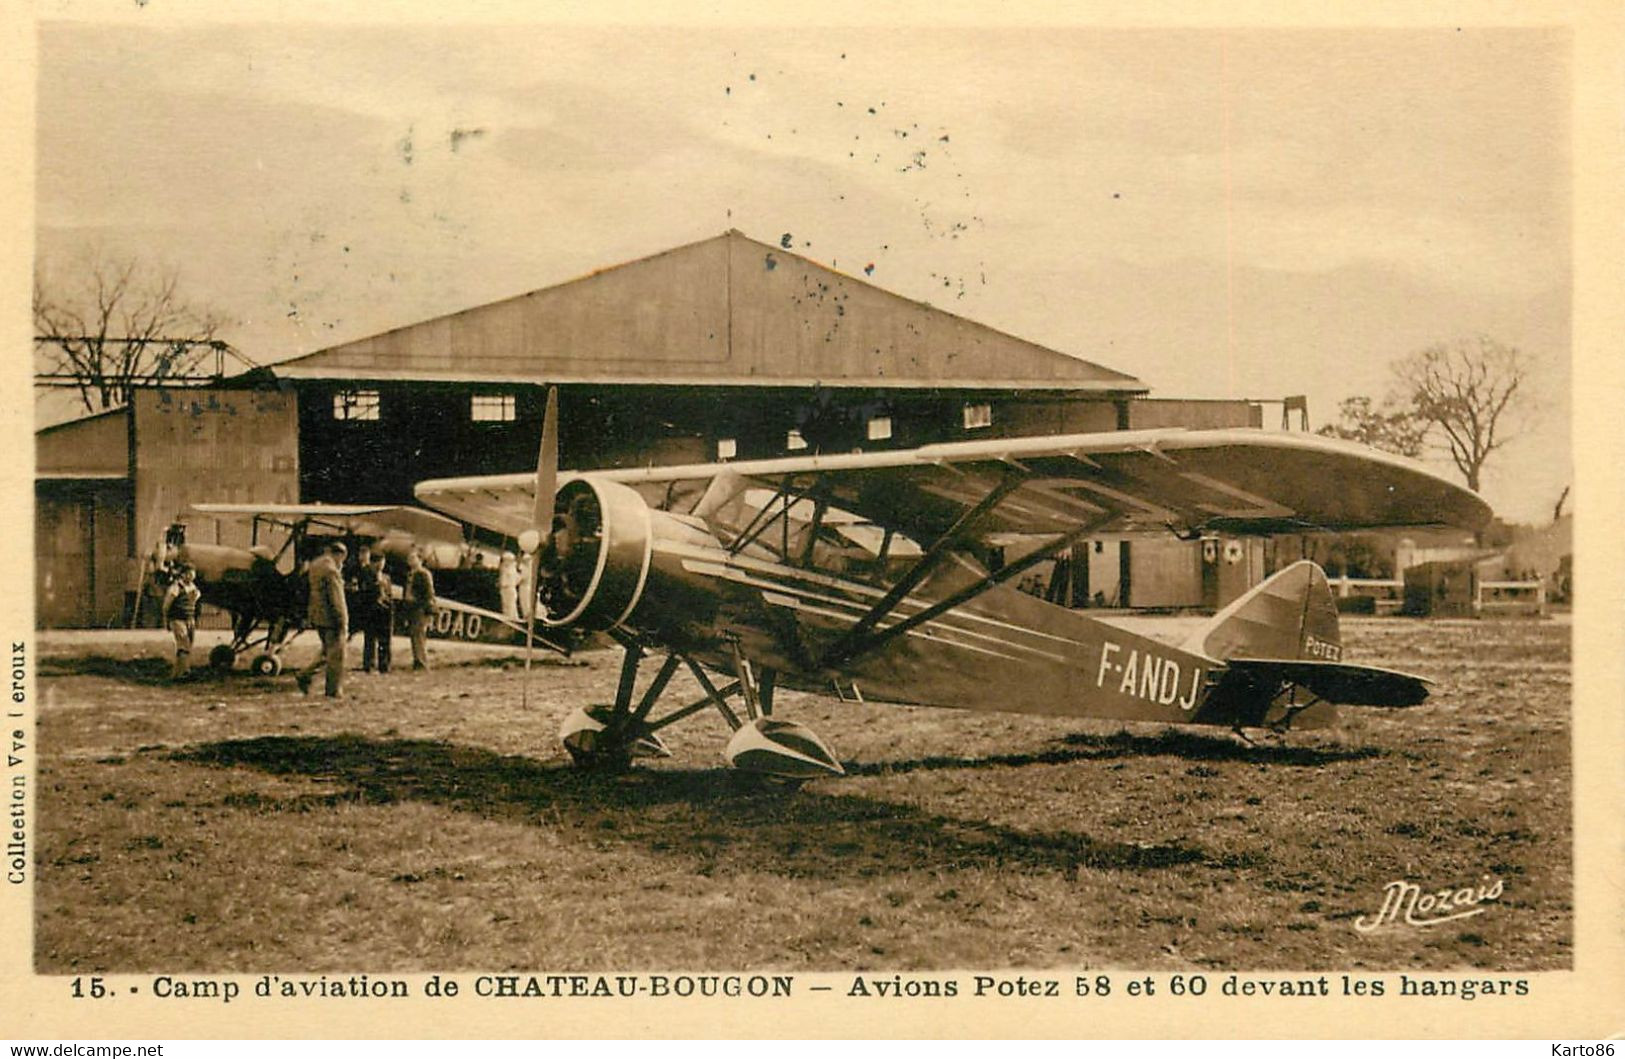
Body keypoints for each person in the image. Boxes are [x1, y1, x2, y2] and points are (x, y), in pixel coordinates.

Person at [297, 541, 349, 697]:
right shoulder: (331, 571)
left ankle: (305, 674)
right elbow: (336, 598)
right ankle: (333, 690)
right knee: (336, 655)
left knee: (327, 652)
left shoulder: (316, 565)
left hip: (318, 616)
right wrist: (343, 619)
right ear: (339, 555)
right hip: (332, 618)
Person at [160, 564, 202, 681]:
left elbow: (195, 602)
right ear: (183, 574)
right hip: (178, 619)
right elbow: (166, 606)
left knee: (186, 646)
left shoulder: (193, 588)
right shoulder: (176, 587)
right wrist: (166, 621)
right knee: (184, 644)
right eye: (189, 573)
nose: (192, 576)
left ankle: (177, 674)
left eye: (193, 573)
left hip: (189, 619)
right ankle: (185, 672)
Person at [357, 551, 394, 674]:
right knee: (370, 639)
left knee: (385, 639)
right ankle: (369, 664)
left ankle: (385, 665)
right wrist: (376, 585)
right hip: (371, 611)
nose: (380, 566)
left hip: (385, 612)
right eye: (378, 563)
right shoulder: (366, 575)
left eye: (382, 563)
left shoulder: (386, 577)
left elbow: (390, 595)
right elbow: (363, 593)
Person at [403, 549, 437, 670]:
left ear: (420, 560)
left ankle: (422, 662)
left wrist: (425, 606)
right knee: (414, 635)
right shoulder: (410, 574)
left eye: (413, 558)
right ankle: (417, 660)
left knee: (419, 635)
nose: (410, 561)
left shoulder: (423, 574)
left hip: (420, 608)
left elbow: (428, 592)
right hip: (411, 608)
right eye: (409, 558)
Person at [497, 552, 520, 620]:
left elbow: (503, 581)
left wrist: (501, 584)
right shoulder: (513, 569)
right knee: (510, 606)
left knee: (508, 607)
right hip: (510, 589)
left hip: (507, 589)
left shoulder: (507, 569)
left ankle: (510, 620)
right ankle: (512, 618)